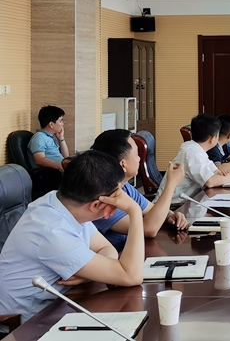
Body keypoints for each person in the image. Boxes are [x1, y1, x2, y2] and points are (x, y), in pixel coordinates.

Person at [0, 151, 148, 328]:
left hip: (58, 306)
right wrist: (134, 211)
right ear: (97, 205)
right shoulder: (52, 231)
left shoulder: (62, 203)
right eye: (118, 196)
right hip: (24, 326)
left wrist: (87, 275)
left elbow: (106, 248)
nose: (121, 200)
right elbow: (131, 276)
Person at [90, 129, 189, 250]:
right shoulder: (104, 197)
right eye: (137, 154)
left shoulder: (125, 187)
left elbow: (152, 210)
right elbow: (148, 229)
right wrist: (171, 184)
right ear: (123, 164)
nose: (139, 159)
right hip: (118, 257)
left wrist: (170, 216)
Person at [157, 114, 230, 201]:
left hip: (188, 202)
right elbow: (210, 182)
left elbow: (216, 172)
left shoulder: (198, 150)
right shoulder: (193, 153)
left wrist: (221, 175)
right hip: (174, 206)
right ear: (213, 139)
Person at [27, 105, 70, 171]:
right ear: (51, 124)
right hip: (49, 173)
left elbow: (66, 157)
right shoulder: (39, 137)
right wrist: (60, 167)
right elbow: (39, 160)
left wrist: (61, 138)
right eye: (60, 121)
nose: (62, 124)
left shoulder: (51, 137)